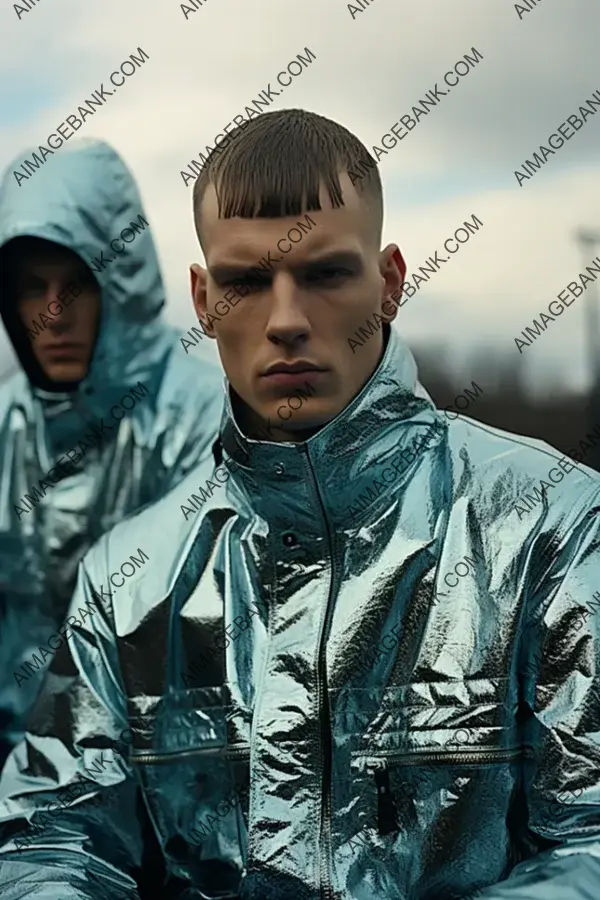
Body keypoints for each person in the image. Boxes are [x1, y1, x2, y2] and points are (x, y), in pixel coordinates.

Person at [0, 109, 599, 900]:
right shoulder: (127, 580)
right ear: (204, 299)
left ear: (389, 282)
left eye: (324, 274)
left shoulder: (549, 525)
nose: (285, 321)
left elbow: (588, 838)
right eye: (247, 283)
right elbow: (53, 839)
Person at [0, 138, 224, 767]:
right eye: (30, 289)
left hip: (173, 782)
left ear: (119, 283)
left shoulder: (207, 416)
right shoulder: (8, 425)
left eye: (76, 287)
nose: (53, 315)